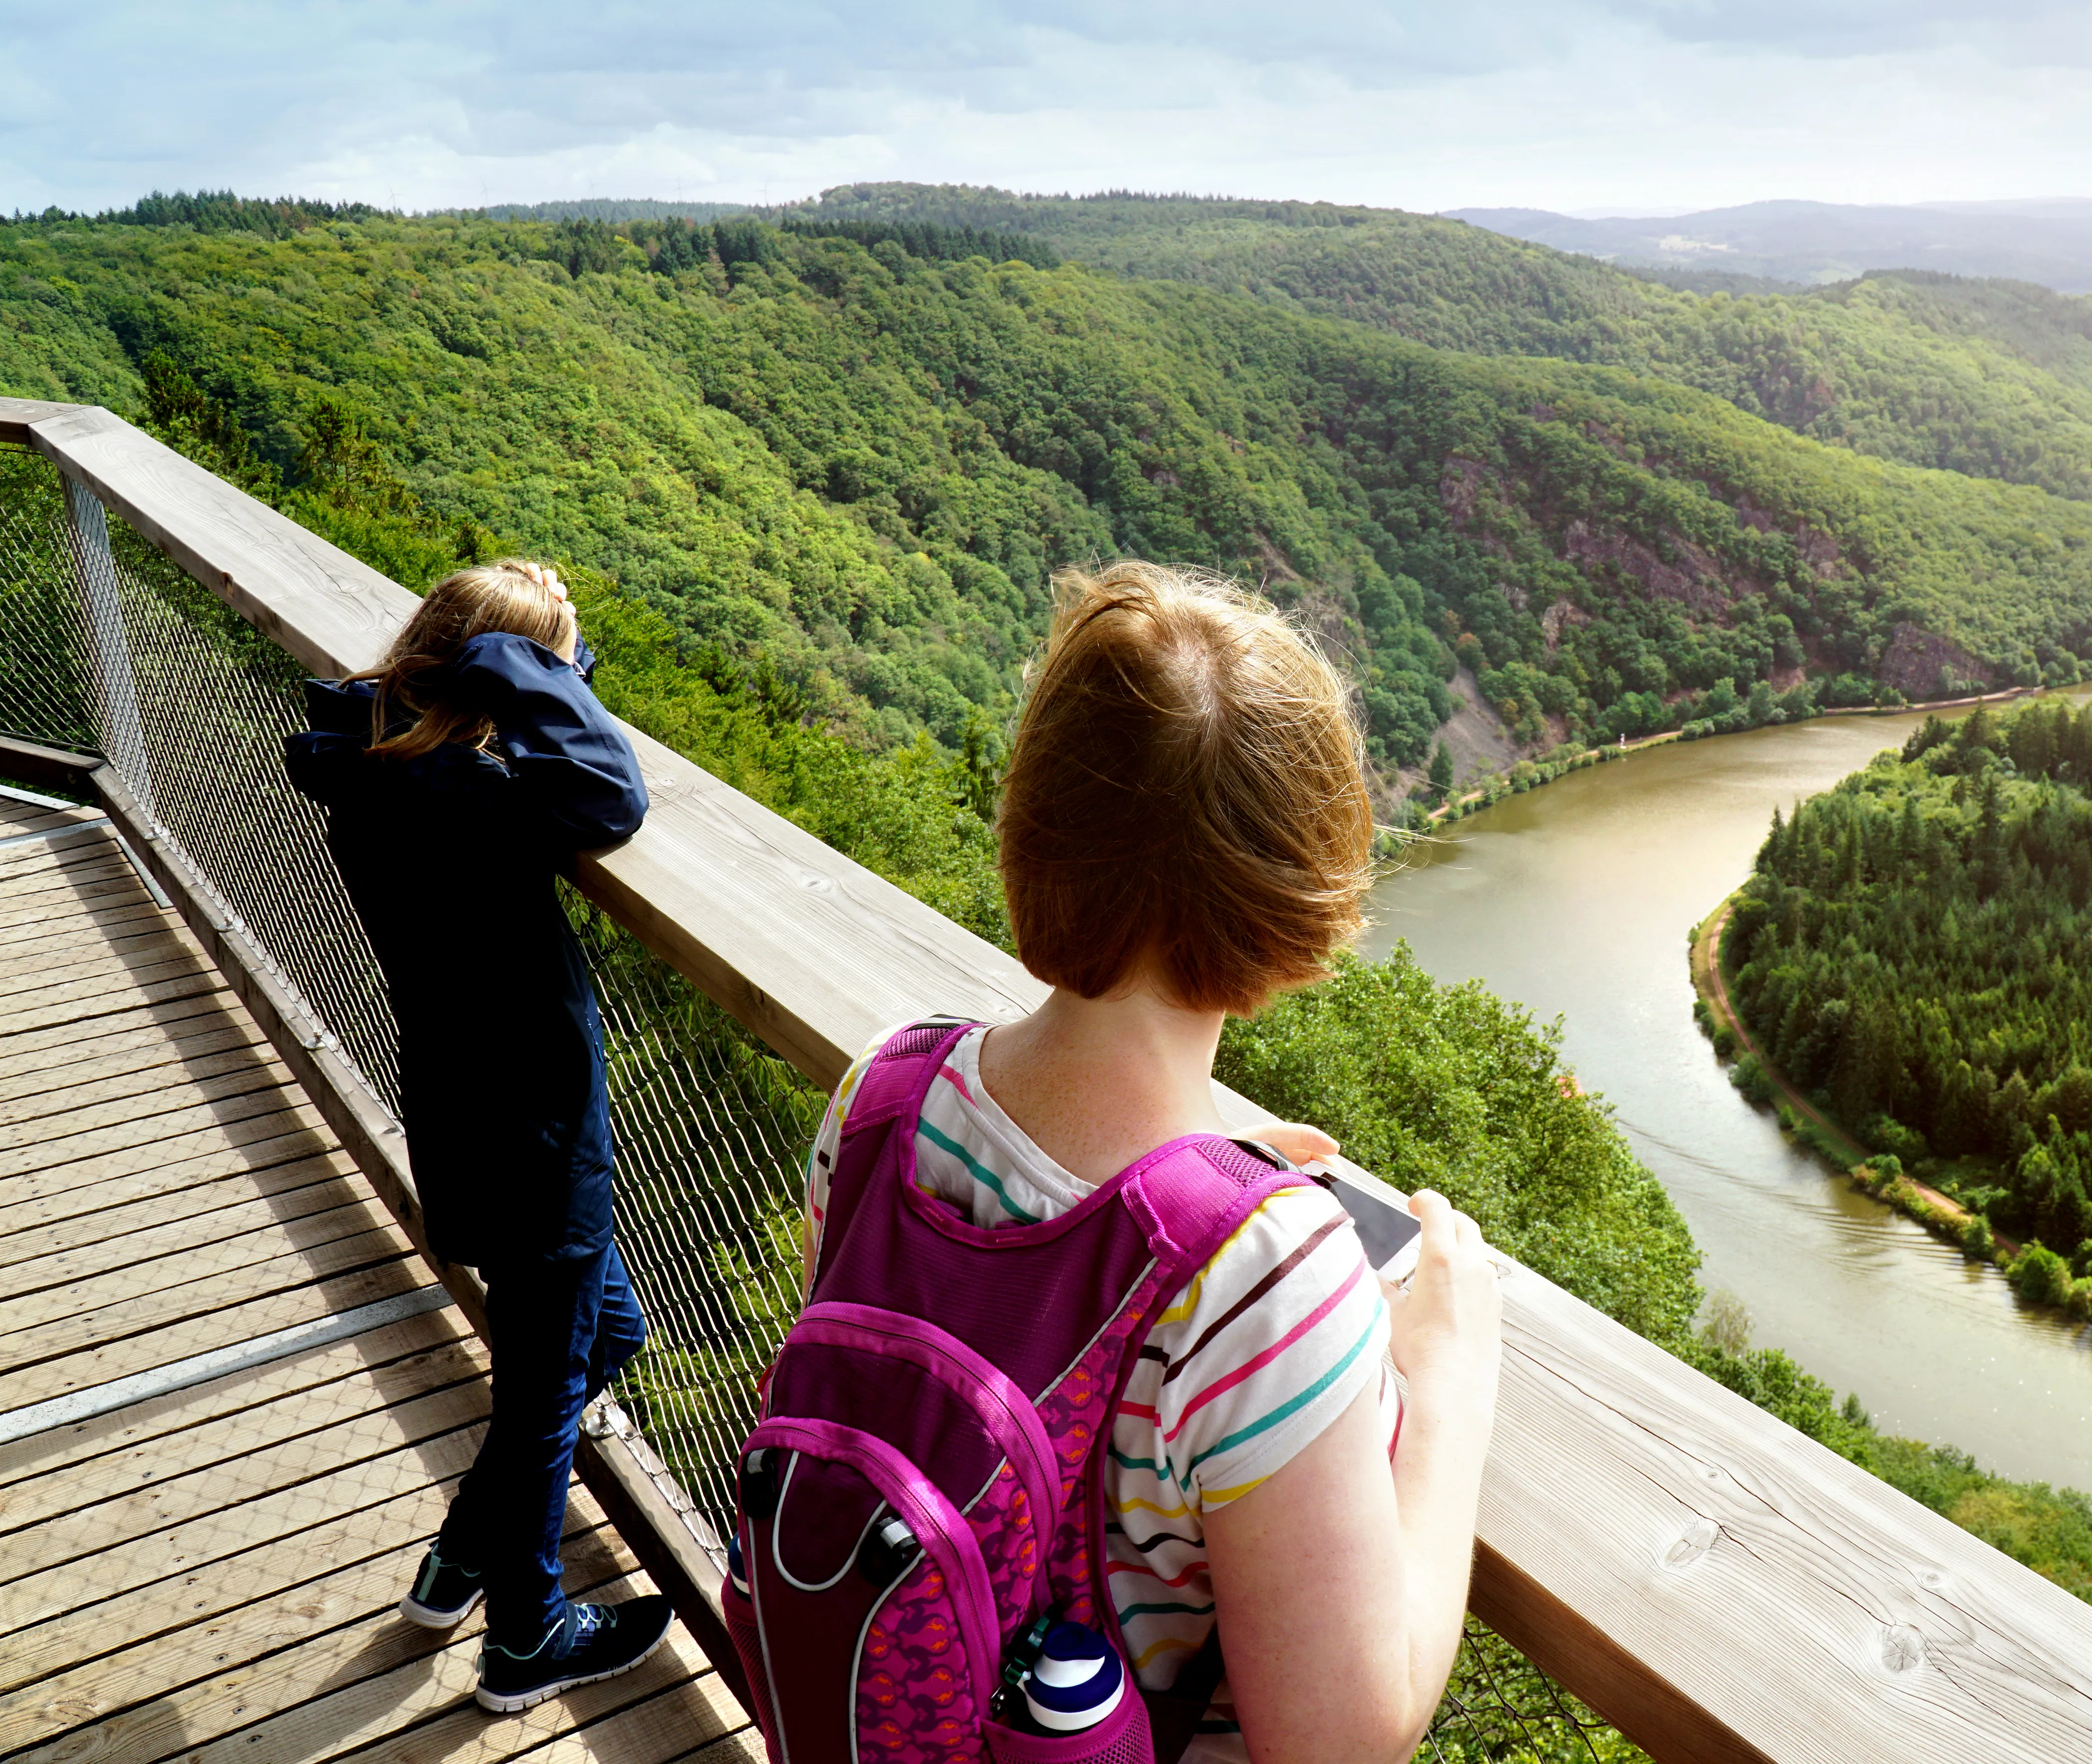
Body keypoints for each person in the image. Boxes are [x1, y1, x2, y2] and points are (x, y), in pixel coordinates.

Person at [797, 560, 1503, 1764]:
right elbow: (1343, 1735)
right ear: (1297, 898)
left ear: (1041, 821)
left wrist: (1204, 1180)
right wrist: (1447, 1389)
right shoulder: (1270, 1277)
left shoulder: (886, 1092)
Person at [286, 560, 673, 1713]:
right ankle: (525, 1638)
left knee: (604, 1336)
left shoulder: (378, 772)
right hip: (538, 1138)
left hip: (467, 1115)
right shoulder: (467, 801)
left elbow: (534, 760)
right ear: (494, 674)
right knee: (553, 1386)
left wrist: (509, 668)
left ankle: (460, 1561)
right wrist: (529, 670)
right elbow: (611, 793)